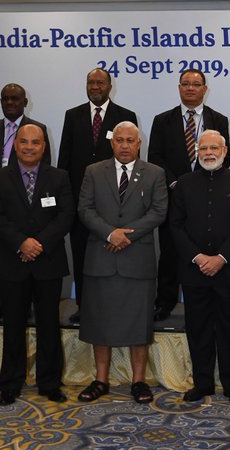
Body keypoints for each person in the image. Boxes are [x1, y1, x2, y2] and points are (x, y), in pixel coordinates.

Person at [76, 121, 167, 404]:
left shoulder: (155, 173)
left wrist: (126, 235)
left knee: (138, 323)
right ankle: (100, 379)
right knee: (98, 321)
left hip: (137, 258)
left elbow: (159, 211)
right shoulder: (93, 171)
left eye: (130, 140)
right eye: (119, 140)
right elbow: (85, 209)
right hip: (100, 257)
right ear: (111, 143)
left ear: (139, 144)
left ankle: (138, 381)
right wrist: (109, 233)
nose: (125, 145)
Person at [0, 124, 74, 406]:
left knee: (49, 324)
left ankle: (50, 383)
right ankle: (10, 383)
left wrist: (38, 244)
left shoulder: (59, 177)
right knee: (13, 324)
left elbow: (65, 216)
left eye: (35, 142)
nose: (29, 147)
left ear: (44, 146)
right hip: (11, 262)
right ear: (14, 145)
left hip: (47, 261)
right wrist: (22, 243)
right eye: (23, 142)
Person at [169, 130, 230, 405]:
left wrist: (221, 257)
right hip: (194, 271)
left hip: (228, 270)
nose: (208, 152)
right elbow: (175, 225)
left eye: (214, 148)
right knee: (198, 328)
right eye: (203, 148)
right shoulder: (183, 183)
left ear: (225, 150)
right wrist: (198, 257)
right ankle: (202, 383)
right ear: (197, 151)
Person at [148, 69, 230, 322]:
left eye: (196, 84)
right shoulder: (163, 120)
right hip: (175, 195)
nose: (191, 88)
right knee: (171, 250)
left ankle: (208, 298)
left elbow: (222, 158)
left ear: (205, 89)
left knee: (206, 246)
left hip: (210, 198)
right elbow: (156, 157)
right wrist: (177, 183)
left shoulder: (219, 119)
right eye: (186, 84)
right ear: (179, 87)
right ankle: (165, 301)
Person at [58, 68, 138, 324]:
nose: (95, 87)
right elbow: (64, 161)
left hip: (115, 201)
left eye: (100, 82)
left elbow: (132, 161)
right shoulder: (73, 116)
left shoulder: (125, 116)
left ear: (109, 86)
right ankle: (84, 305)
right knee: (83, 256)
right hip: (82, 203)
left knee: (113, 257)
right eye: (91, 82)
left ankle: (115, 306)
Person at [0, 83, 51, 320]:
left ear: (25, 102)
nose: (10, 103)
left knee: (30, 252)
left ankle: (30, 302)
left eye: (15, 99)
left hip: (29, 207)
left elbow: (45, 168)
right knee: (1, 255)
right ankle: (2, 302)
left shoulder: (38, 129)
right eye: (5, 98)